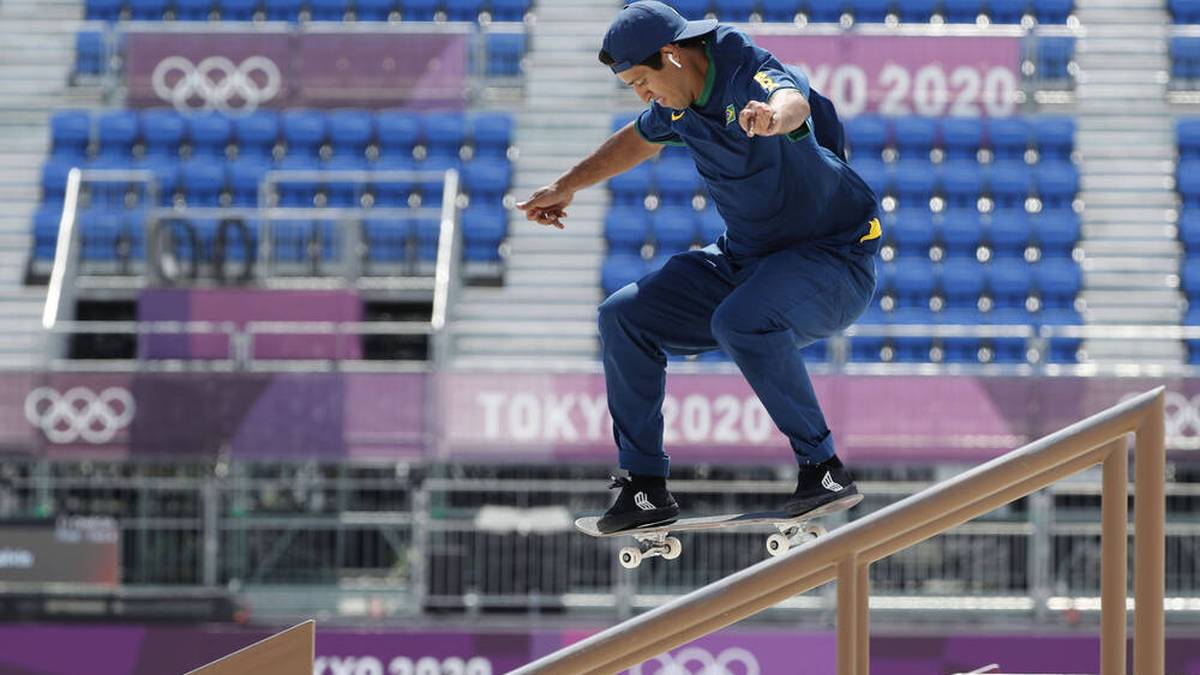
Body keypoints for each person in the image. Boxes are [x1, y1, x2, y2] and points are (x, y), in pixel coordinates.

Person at [516, 1, 881, 534]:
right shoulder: (677, 103)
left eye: (643, 82)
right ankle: (644, 488)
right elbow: (637, 139)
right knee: (624, 317)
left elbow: (792, 100)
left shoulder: (746, 71)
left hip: (832, 262)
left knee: (741, 321)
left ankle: (823, 469)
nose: (644, 95)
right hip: (748, 259)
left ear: (672, 55)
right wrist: (566, 185)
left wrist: (773, 119)